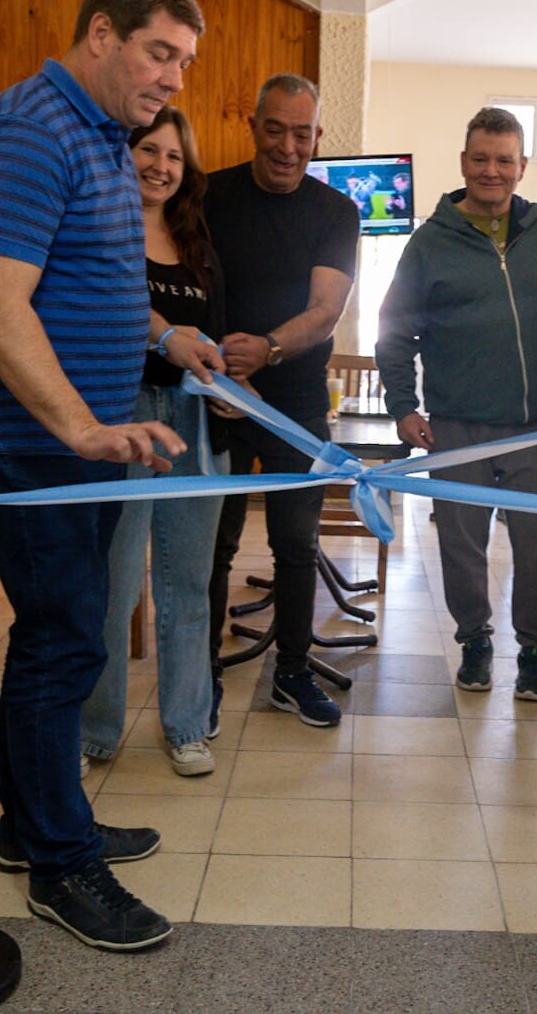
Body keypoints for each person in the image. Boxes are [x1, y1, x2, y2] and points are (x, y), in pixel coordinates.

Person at [0, 0, 219, 952]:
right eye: (159, 53)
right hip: (34, 450)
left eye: (184, 63)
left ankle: (30, 823)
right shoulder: (31, 130)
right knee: (66, 643)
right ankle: (61, 864)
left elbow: (95, 280)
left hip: (81, 447)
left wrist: (166, 338)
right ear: (101, 33)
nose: (173, 79)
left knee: (55, 639)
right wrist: (78, 427)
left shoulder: (103, 137)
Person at [376, 106, 537, 700]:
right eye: (481, 159)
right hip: (457, 425)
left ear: (522, 166)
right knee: (461, 547)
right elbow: (395, 330)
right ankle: (474, 640)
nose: (492, 171)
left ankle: (534, 651)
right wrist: (403, 406)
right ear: (464, 162)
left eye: (504, 160)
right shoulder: (430, 242)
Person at [204, 74, 360, 729]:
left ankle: (292, 672)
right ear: (253, 126)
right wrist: (221, 372)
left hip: (295, 406)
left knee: (296, 545)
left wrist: (266, 351)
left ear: (317, 136)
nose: (287, 147)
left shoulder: (336, 212)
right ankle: (201, 678)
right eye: (275, 130)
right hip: (214, 396)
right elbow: (186, 290)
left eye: (301, 134)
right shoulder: (207, 196)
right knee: (213, 547)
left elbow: (325, 311)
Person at [78, 107, 227, 779]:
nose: (161, 167)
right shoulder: (100, 229)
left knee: (188, 582)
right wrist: (164, 336)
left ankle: (188, 727)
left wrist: (223, 382)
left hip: (192, 421)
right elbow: (100, 308)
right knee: (112, 583)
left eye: (174, 157)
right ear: (124, 153)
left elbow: (213, 329)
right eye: (149, 150)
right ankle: (94, 732)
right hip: (122, 414)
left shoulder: (196, 242)